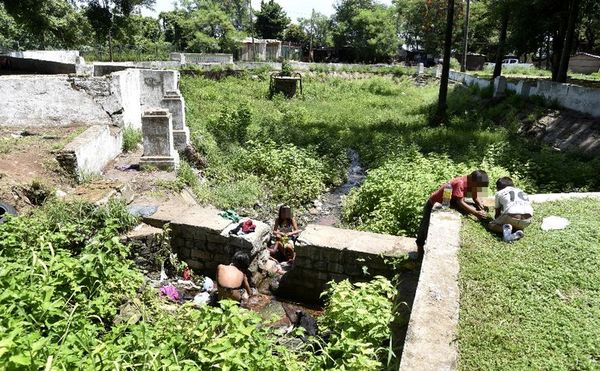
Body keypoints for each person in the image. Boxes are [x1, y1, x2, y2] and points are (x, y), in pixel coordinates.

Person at [416, 170, 490, 257]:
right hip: (434, 203)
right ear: (472, 181)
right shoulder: (460, 183)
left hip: (450, 200)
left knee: (470, 208)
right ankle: (420, 248)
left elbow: (474, 195)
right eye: (478, 186)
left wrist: (478, 203)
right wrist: (475, 213)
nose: (478, 189)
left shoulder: (471, 183)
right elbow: (460, 202)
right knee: (425, 226)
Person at [488, 177, 533, 242]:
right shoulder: (522, 191)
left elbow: (497, 213)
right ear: (513, 185)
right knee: (516, 226)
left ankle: (506, 229)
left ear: (498, 188)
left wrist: (497, 222)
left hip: (511, 216)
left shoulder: (500, 192)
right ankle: (515, 232)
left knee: (490, 225)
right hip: (527, 220)